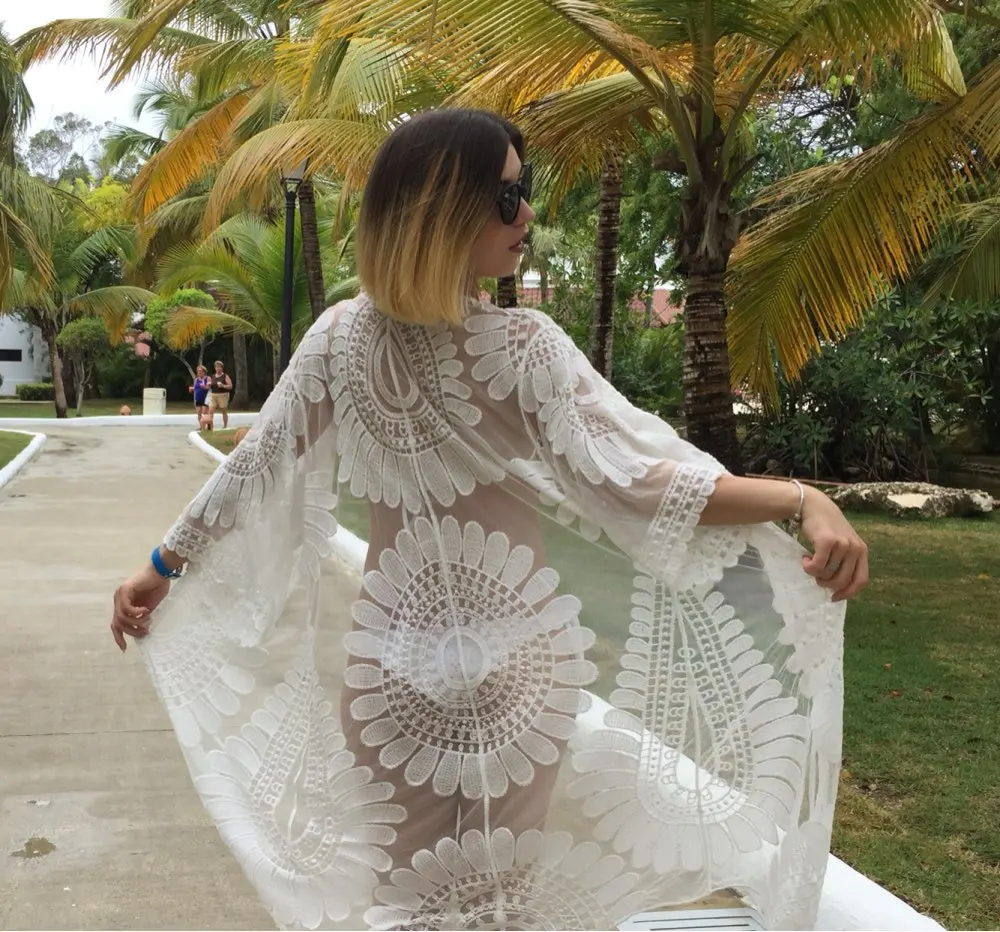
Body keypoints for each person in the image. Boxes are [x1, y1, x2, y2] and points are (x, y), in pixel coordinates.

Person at [111, 109, 867, 931]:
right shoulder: (521, 346)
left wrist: (162, 565)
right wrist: (802, 499)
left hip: (393, 666)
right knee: (498, 907)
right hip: (517, 663)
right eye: (508, 196)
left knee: (403, 902)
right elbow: (640, 482)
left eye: (522, 191)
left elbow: (253, 471)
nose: (527, 213)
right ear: (442, 211)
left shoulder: (338, 340)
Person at [207, 360, 232, 429]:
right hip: (213, 395)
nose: (218, 368)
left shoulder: (225, 376)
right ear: (215, 368)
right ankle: (210, 426)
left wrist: (223, 385)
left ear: (222, 368)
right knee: (210, 410)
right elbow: (209, 386)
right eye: (217, 367)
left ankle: (225, 426)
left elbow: (230, 386)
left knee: (223, 410)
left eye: (219, 367)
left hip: (223, 395)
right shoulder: (213, 376)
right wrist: (208, 385)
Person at [189, 365, 212, 430]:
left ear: (204, 372)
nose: (199, 372)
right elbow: (195, 387)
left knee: (204, 413)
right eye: (198, 371)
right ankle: (201, 427)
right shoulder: (196, 379)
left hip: (206, 398)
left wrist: (204, 387)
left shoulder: (208, 378)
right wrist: (192, 389)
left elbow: (209, 387)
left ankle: (208, 425)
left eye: (200, 371)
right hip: (198, 398)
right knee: (199, 413)